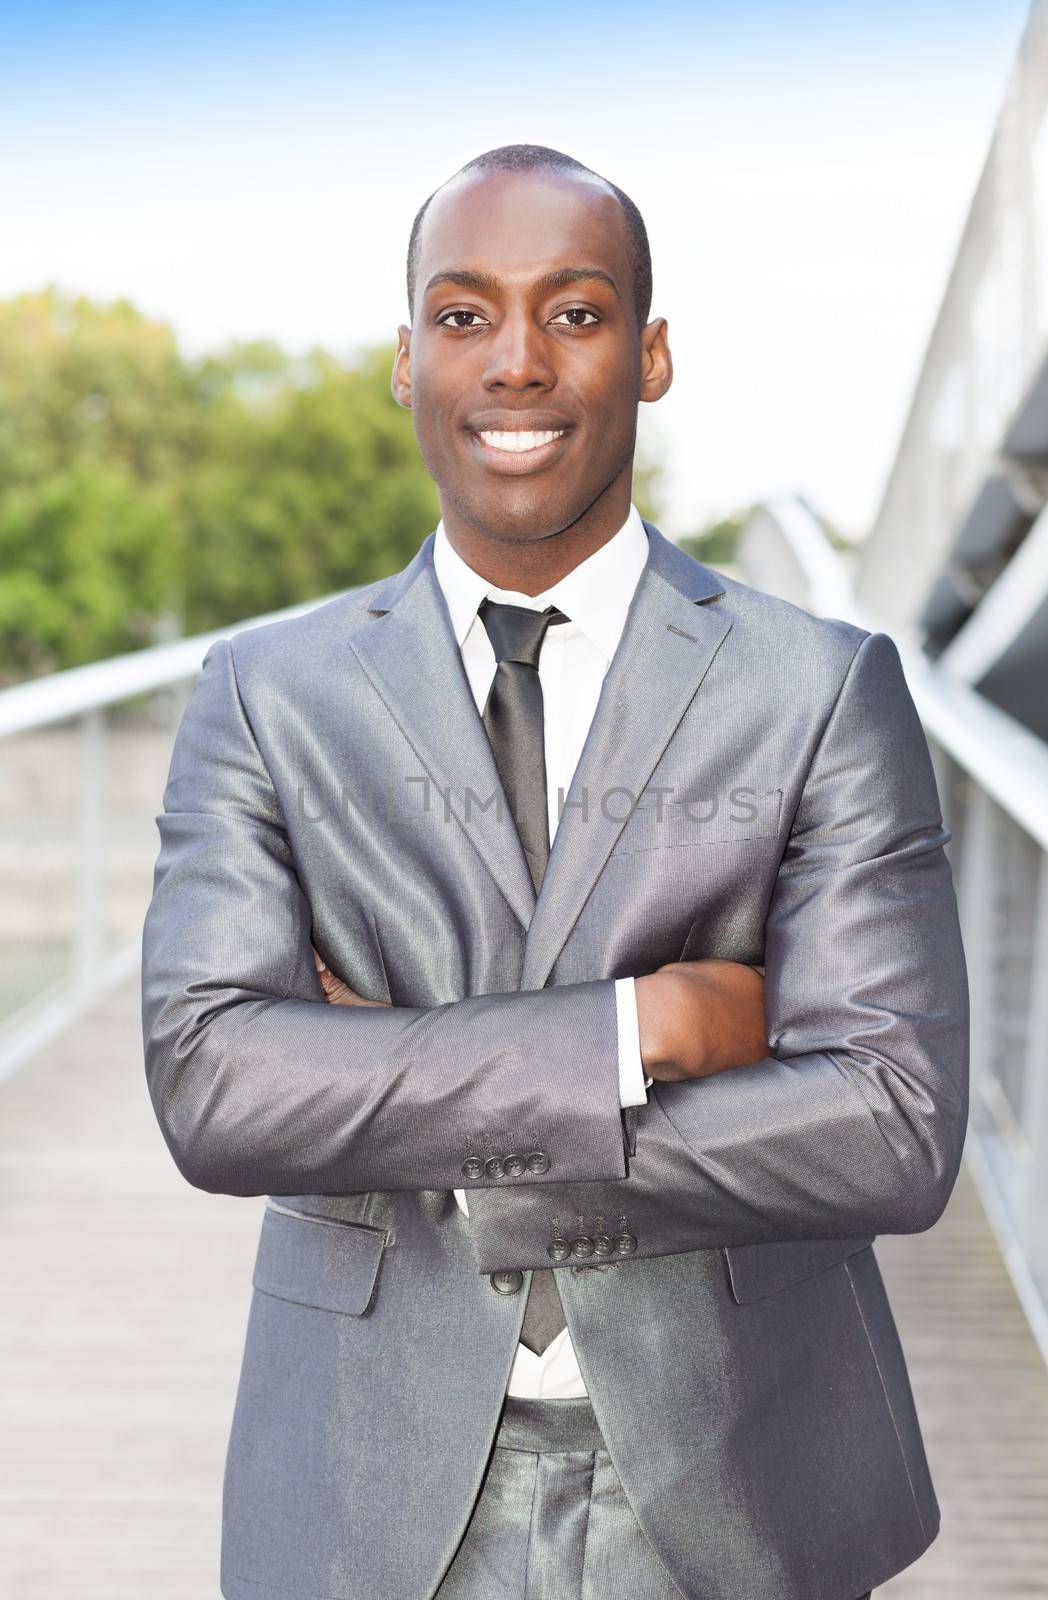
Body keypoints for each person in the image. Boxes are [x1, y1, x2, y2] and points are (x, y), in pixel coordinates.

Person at [140, 144, 970, 1600]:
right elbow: (217, 1089)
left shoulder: (823, 688)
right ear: (406, 362)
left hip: (742, 1476)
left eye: (574, 313)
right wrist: (634, 1038)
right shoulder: (267, 694)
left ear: (649, 355)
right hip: (365, 1479)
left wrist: (402, 1102)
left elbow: (890, 1126)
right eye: (464, 317)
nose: (516, 363)